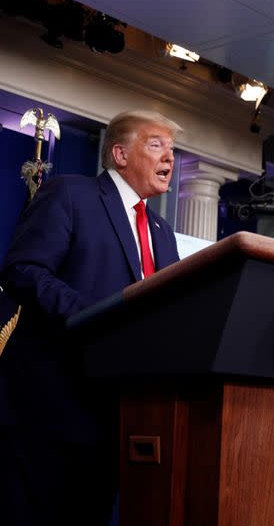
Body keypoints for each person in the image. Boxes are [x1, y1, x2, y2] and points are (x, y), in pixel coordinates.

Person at [0, 110, 182, 525]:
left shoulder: (163, 231)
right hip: (53, 410)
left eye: (173, 149)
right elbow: (23, 270)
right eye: (156, 145)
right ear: (119, 153)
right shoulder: (70, 194)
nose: (169, 158)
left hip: (120, 417)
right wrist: (93, 315)